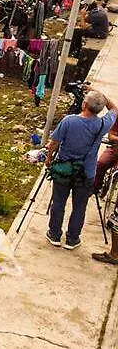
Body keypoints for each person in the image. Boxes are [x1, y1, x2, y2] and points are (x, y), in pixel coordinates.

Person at [46, 90, 117, 250]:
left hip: (63, 170)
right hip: (86, 173)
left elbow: (55, 142)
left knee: (58, 202)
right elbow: (115, 111)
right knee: (79, 206)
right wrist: (104, 98)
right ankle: (72, 239)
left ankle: (54, 234)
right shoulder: (102, 124)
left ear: (84, 104)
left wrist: (49, 158)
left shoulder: (69, 121)